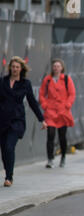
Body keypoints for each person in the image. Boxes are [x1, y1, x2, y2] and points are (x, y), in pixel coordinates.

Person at [0, 56, 48, 187]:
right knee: (4, 150)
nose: (15, 69)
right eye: (13, 66)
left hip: (17, 121)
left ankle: (9, 177)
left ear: (21, 69)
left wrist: (41, 119)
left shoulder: (25, 84)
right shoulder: (2, 81)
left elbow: (32, 102)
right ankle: (8, 172)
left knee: (10, 147)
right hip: (2, 120)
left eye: (17, 67)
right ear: (10, 68)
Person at [39, 58, 76, 168]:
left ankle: (63, 156)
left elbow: (72, 94)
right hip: (50, 111)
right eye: (54, 66)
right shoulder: (48, 79)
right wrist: (44, 105)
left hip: (62, 111)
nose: (56, 68)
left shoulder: (66, 79)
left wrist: (67, 105)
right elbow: (42, 93)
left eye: (58, 66)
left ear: (62, 68)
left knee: (62, 136)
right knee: (50, 134)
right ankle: (50, 159)